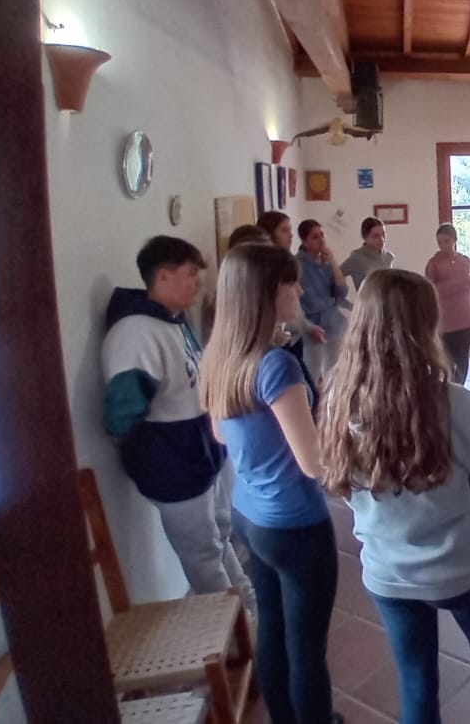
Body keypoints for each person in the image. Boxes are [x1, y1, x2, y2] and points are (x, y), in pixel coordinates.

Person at [318, 270, 470, 724]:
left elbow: (346, 484)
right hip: (465, 566)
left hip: (389, 572)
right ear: (425, 325)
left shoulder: (337, 401)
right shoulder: (452, 402)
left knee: (416, 681)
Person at [200, 243, 338, 724]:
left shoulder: (221, 356)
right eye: (289, 282)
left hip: (250, 512)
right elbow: (314, 463)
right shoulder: (276, 365)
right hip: (295, 522)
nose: (298, 290)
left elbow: (222, 434)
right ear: (264, 293)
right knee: (307, 646)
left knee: (275, 629)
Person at [101, 236, 255, 613]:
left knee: (220, 535)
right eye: (190, 275)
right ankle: (234, 628)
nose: (197, 284)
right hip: (174, 464)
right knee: (202, 554)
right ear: (163, 276)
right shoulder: (136, 332)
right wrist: (153, 450)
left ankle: (249, 607)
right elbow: (124, 411)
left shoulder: (172, 321)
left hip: (202, 454)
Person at [258, 211, 321, 404]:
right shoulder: (267, 267)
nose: (291, 235)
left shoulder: (286, 260)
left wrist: (308, 327)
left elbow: (296, 308)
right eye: (284, 230)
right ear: (270, 234)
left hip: (293, 338)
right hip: (278, 342)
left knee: (310, 395)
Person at [424, 223, 470, 385]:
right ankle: (449, 387)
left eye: (446, 241)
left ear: (454, 240)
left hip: (467, 317)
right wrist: (458, 283)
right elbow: (431, 290)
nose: (443, 245)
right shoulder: (434, 263)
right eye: (440, 242)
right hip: (446, 319)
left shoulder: (465, 261)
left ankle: (460, 386)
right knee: (447, 357)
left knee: (462, 355)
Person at [295, 219, 348, 381]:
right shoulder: (297, 265)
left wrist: (333, 262)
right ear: (304, 241)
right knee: (312, 373)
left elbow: (342, 292)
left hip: (334, 323)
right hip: (312, 325)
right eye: (315, 237)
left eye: (322, 234)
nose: (321, 240)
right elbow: (306, 300)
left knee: (334, 374)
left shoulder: (326, 262)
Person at [341, 216, 395, 291]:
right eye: (376, 236)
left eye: (383, 234)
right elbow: (337, 273)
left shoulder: (389, 257)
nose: (382, 239)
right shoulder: (357, 258)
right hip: (366, 297)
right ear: (365, 237)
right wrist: (341, 292)